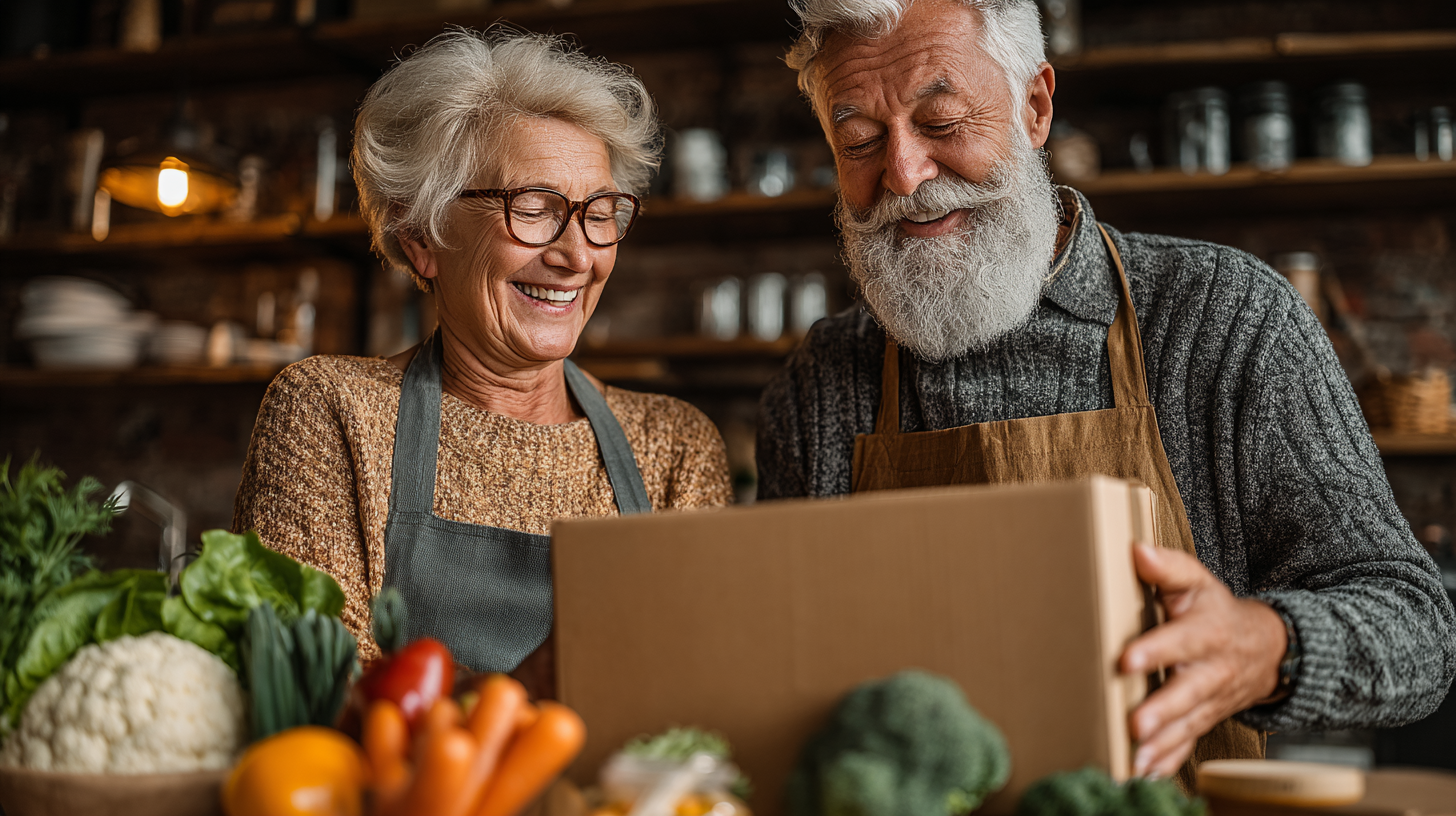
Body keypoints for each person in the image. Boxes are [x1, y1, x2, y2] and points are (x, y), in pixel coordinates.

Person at [757, 0, 1455, 784]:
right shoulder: (821, 383)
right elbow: (778, 663)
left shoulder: (1225, 318)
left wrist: (1267, 646)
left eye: (942, 122)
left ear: (1034, 107)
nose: (905, 174)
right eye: (859, 140)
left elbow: (1418, 631)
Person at [234, 29, 733, 684]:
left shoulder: (674, 446)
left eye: (599, 213)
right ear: (421, 236)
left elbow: (698, 688)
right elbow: (313, 687)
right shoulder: (332, 410)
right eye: (534, 208)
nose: (576, 256)